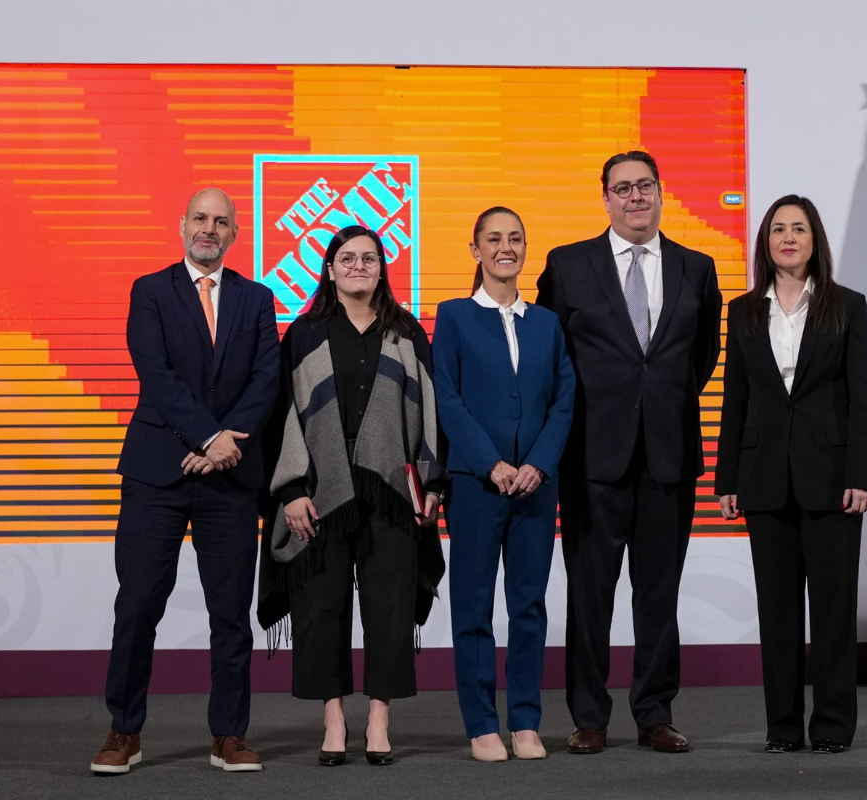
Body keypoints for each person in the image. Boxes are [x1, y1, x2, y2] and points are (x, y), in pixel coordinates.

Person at [535, 150, 723, 754]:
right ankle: (588, 716)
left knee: (659, 592)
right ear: (606, 198)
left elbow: (700, 357)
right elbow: (550, 359)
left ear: (661, 193)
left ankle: (654, 713)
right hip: (591, 456)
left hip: (668, 453)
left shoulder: (697, 267)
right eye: (622, 188)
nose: (635, 197)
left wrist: (657, 405)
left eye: (645, 186)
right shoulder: (567, 266)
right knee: (589, 593)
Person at [92, 188, 280, 775]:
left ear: (234, 234)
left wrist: (226, 446)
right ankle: (125, 730)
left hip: (230, 477)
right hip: (158, 472)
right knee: (139, 603)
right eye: (200, 218)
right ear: (183, 226)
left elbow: (266, 379)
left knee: (230, 612)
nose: (209, 228)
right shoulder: (150, 291)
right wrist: (208, 439)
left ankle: (229, 734)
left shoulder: (257, 298)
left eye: (221, 221)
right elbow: (156, 374)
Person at [257, 224, 447, 767]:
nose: (358, 266)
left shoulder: (407, 332)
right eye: (347, 258)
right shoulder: (305, 332)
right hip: (319, 488)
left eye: (369, 258)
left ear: (383, 267)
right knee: (321, 607)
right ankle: (335, 718)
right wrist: (290, 491)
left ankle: (380, 719)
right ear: (330, 268)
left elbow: (430, 412)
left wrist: (432, 481)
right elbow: (282, 416)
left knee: (389, 609)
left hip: (391, 489)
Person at [715, 195, 867, 755]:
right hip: (763, 480)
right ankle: (782, 728)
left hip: (834, 478)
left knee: (833, 610)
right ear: (765, 241)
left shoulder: (846, 305)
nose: (788, 237)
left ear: (815, 241)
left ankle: (832, 727)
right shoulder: (741, 311)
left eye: (799, 229)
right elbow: (735, 399)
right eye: (778, 229)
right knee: (777, 613)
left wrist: (863, 474)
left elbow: (863, 399)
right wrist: (726, 479)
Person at [432, 207, 576, 762]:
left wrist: (538, 463)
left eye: (515, 238)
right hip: (476, 485)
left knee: (528, 606)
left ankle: (525, 721)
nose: (505, 248)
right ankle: (481, 724)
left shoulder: (546, 323)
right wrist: (491, 464)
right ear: (475, 251)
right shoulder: (453, 317)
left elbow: (564, 399)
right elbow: (448, 398)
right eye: (493, 239)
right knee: (472, 606)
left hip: (537, 485)